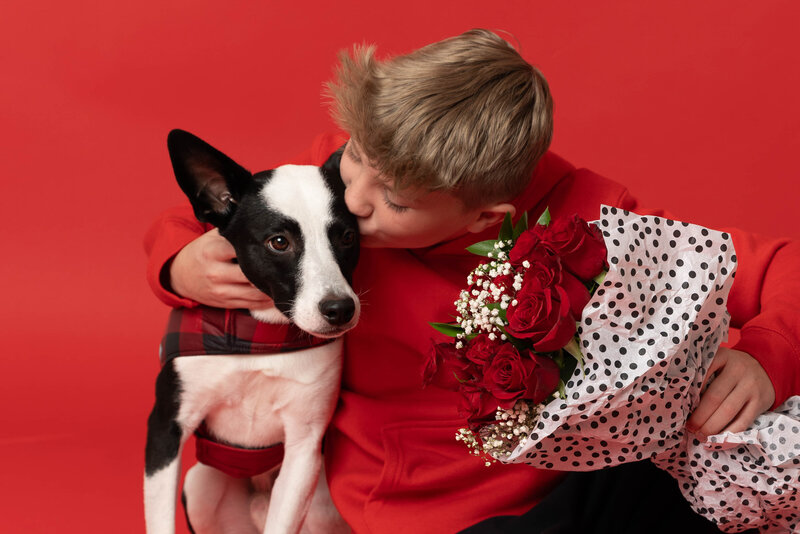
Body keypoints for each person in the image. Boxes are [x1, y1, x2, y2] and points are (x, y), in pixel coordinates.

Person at [144, 29, 800, 533]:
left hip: (519, 505)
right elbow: (217, 212)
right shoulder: (332, 178)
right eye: (356, 159)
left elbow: (782, 267)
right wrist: (180, 263)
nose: (354, 200)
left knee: (676, 472)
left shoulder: (594, 222)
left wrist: (768, 353)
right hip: (350, 492)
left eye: (394, 200)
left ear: (485, 217)